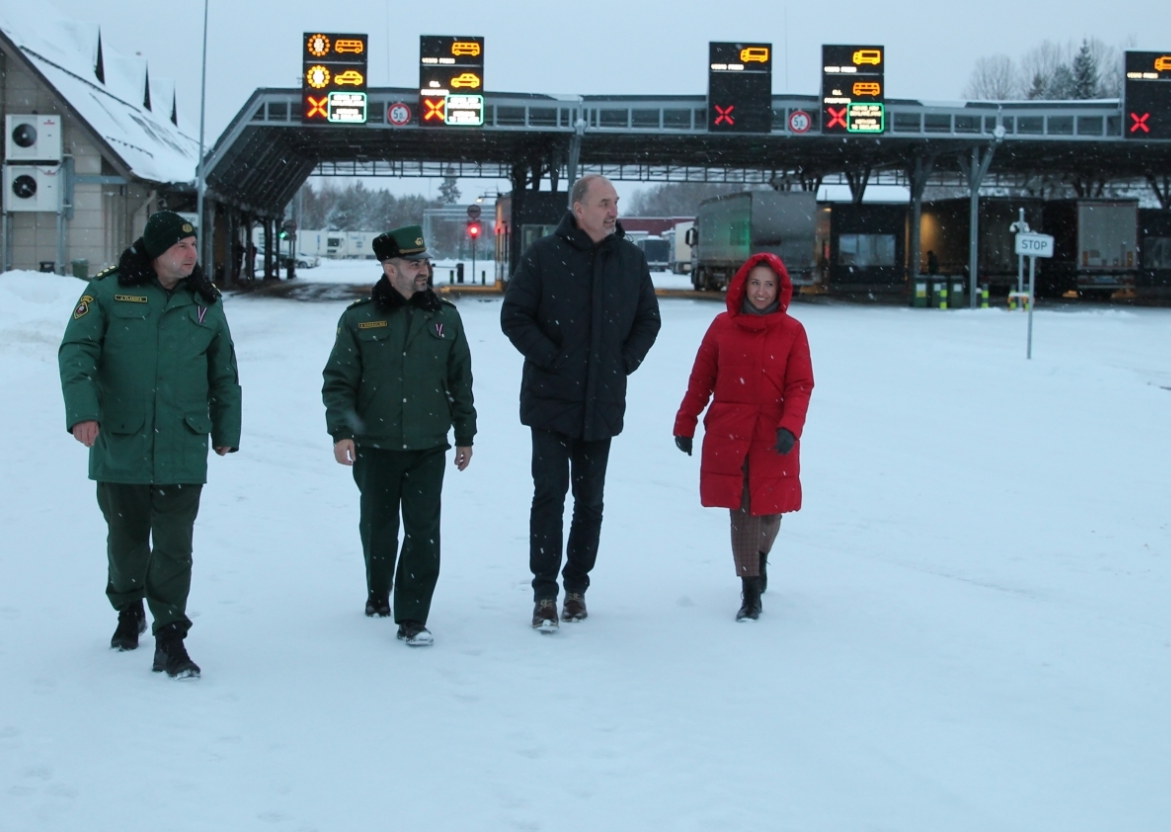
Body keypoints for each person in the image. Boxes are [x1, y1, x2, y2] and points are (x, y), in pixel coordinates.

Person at [59, 211, 242, 678]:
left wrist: (226, 430)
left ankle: (170, 637)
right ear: (156, 251)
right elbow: (76, 351)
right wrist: (83, 411)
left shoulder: (206, 300)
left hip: (182, 441)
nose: (191, 255)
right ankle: (127, 608)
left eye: (194, 246)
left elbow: (224, 371)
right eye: (181, 247)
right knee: (126, 541)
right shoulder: (106, 290)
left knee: (175, 547)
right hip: (121, 439)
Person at [501, 175, 661, 632]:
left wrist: (621, 362)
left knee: (590, 502)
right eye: (604, 203)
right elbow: (514, 316)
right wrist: (551, 357)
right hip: (550, 403)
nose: (613, 211)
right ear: (579, 209)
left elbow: (649, 319)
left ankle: (577, 589)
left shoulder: (630, 260)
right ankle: (545, 594)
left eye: (615, 203)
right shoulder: (544, 257)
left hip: (601, 402)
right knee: (550, 497)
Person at [322, 225, 476, 647]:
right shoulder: (359, 318)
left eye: (425, 262)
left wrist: (466, 434)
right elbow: (338, 381)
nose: (424, 270)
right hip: (375, 445)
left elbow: (460, 382)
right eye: (414, 264)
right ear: (390, 269)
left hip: (429, 445)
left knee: (423, 531)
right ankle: (378, 589)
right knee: (378, 525)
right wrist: (342, 432)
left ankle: (412, 617)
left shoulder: (445, 318)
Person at [672, 253, 813, 622]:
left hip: (774, 434)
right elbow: (700, 380)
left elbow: (800, 385)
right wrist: (686, 423)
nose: (761, 291)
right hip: (731, 433)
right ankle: (750, 593)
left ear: (779, 288)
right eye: (755, 283)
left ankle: (761, 557)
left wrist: (790, 426)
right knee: (744, 510)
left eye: (769, 284)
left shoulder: (793, 331)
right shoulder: (722, 327)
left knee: (771, 510)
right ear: (743, 285)